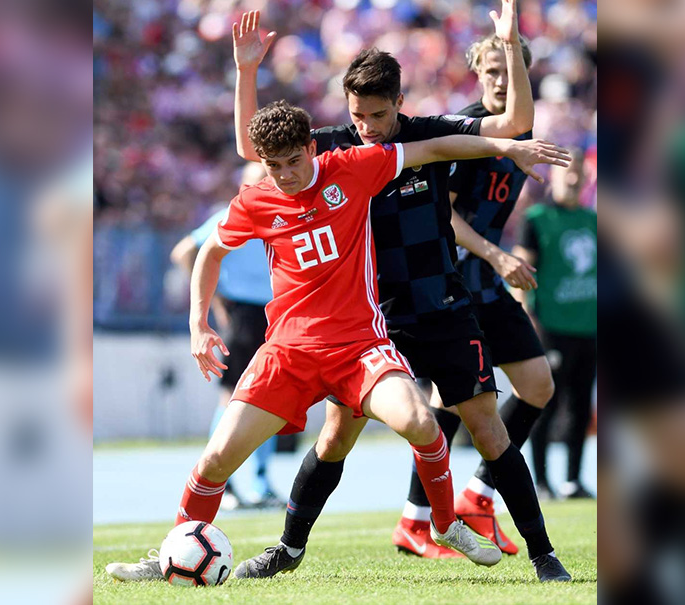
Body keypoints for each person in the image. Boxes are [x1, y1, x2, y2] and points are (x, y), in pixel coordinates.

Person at [105, 99, 570, 582]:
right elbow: (209, 252)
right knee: (216, 459)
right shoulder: (256, 200)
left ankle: (444, 524)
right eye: (274, 166)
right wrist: (198, 325)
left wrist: (504, 148)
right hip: (287, 353)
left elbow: (433, 148)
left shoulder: (351, 167)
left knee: (419, 422)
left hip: (360, 347)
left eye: (293, 161)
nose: (285, 174)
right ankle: (172, 554)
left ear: (312, 148)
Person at [231, 5, 572, 583]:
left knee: (488, 428)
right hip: (369, 322)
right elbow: (253, 149)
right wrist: (246, 73)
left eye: (378, 113)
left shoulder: (427, 135)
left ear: (399, 101)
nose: (366, 126)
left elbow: (513, 122)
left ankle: (544, 556)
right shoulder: (332, 145)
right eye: (357, 113)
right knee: (337, 436)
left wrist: (511, 45)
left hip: (441, 306)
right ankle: (288, 549)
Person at [396, 31, 555, 557]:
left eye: (510, 69)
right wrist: (498, 254)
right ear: (476, 73)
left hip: (487, 279)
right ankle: (416, 520)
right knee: (448, 399)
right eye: (491, 70)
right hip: (455, 281)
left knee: (536, 385)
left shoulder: (520, 130)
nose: (501, 80)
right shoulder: (468, 132)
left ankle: (478, 494)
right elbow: (445, 214)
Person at [170, 162, 282, 509]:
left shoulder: (281, 212)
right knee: (234, 397)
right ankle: (227, 485)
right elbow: (184, 251)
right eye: (256, 181)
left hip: (276, 315)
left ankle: (258, 484)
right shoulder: (232, 215)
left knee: (273, 399)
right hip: (246, 314)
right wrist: (215, 299)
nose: (264, 186)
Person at [513, 150, 597, 500]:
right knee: (545, 402)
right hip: (550, 325)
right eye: (566, 172)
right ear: (552, 176)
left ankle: (574, 480)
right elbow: (520, 272)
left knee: (580, 406)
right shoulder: (536, 218)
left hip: (588, 326)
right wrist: (525, 317)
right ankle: (542, 481)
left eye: (578, 172)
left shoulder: (593, 220)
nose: (573, 178)